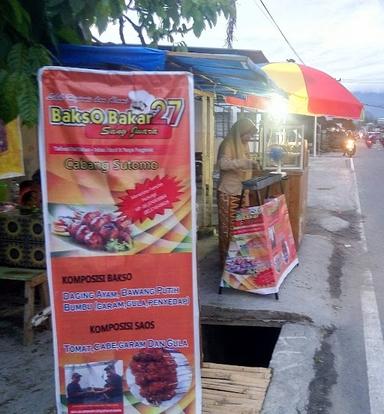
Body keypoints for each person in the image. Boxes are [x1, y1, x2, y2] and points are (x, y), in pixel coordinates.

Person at [216, 118, 260, 266]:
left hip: (242, 190)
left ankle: (238, 262)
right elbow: (222, 164)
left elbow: (245, 161)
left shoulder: (243, 145)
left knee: (242, 227)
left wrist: (252, 163)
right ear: (240, 132)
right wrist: (245, 162)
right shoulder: (228, 143)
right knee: (228, 228)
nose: (250, 138)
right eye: (248, 134)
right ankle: (226, 264)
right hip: (228, 192)